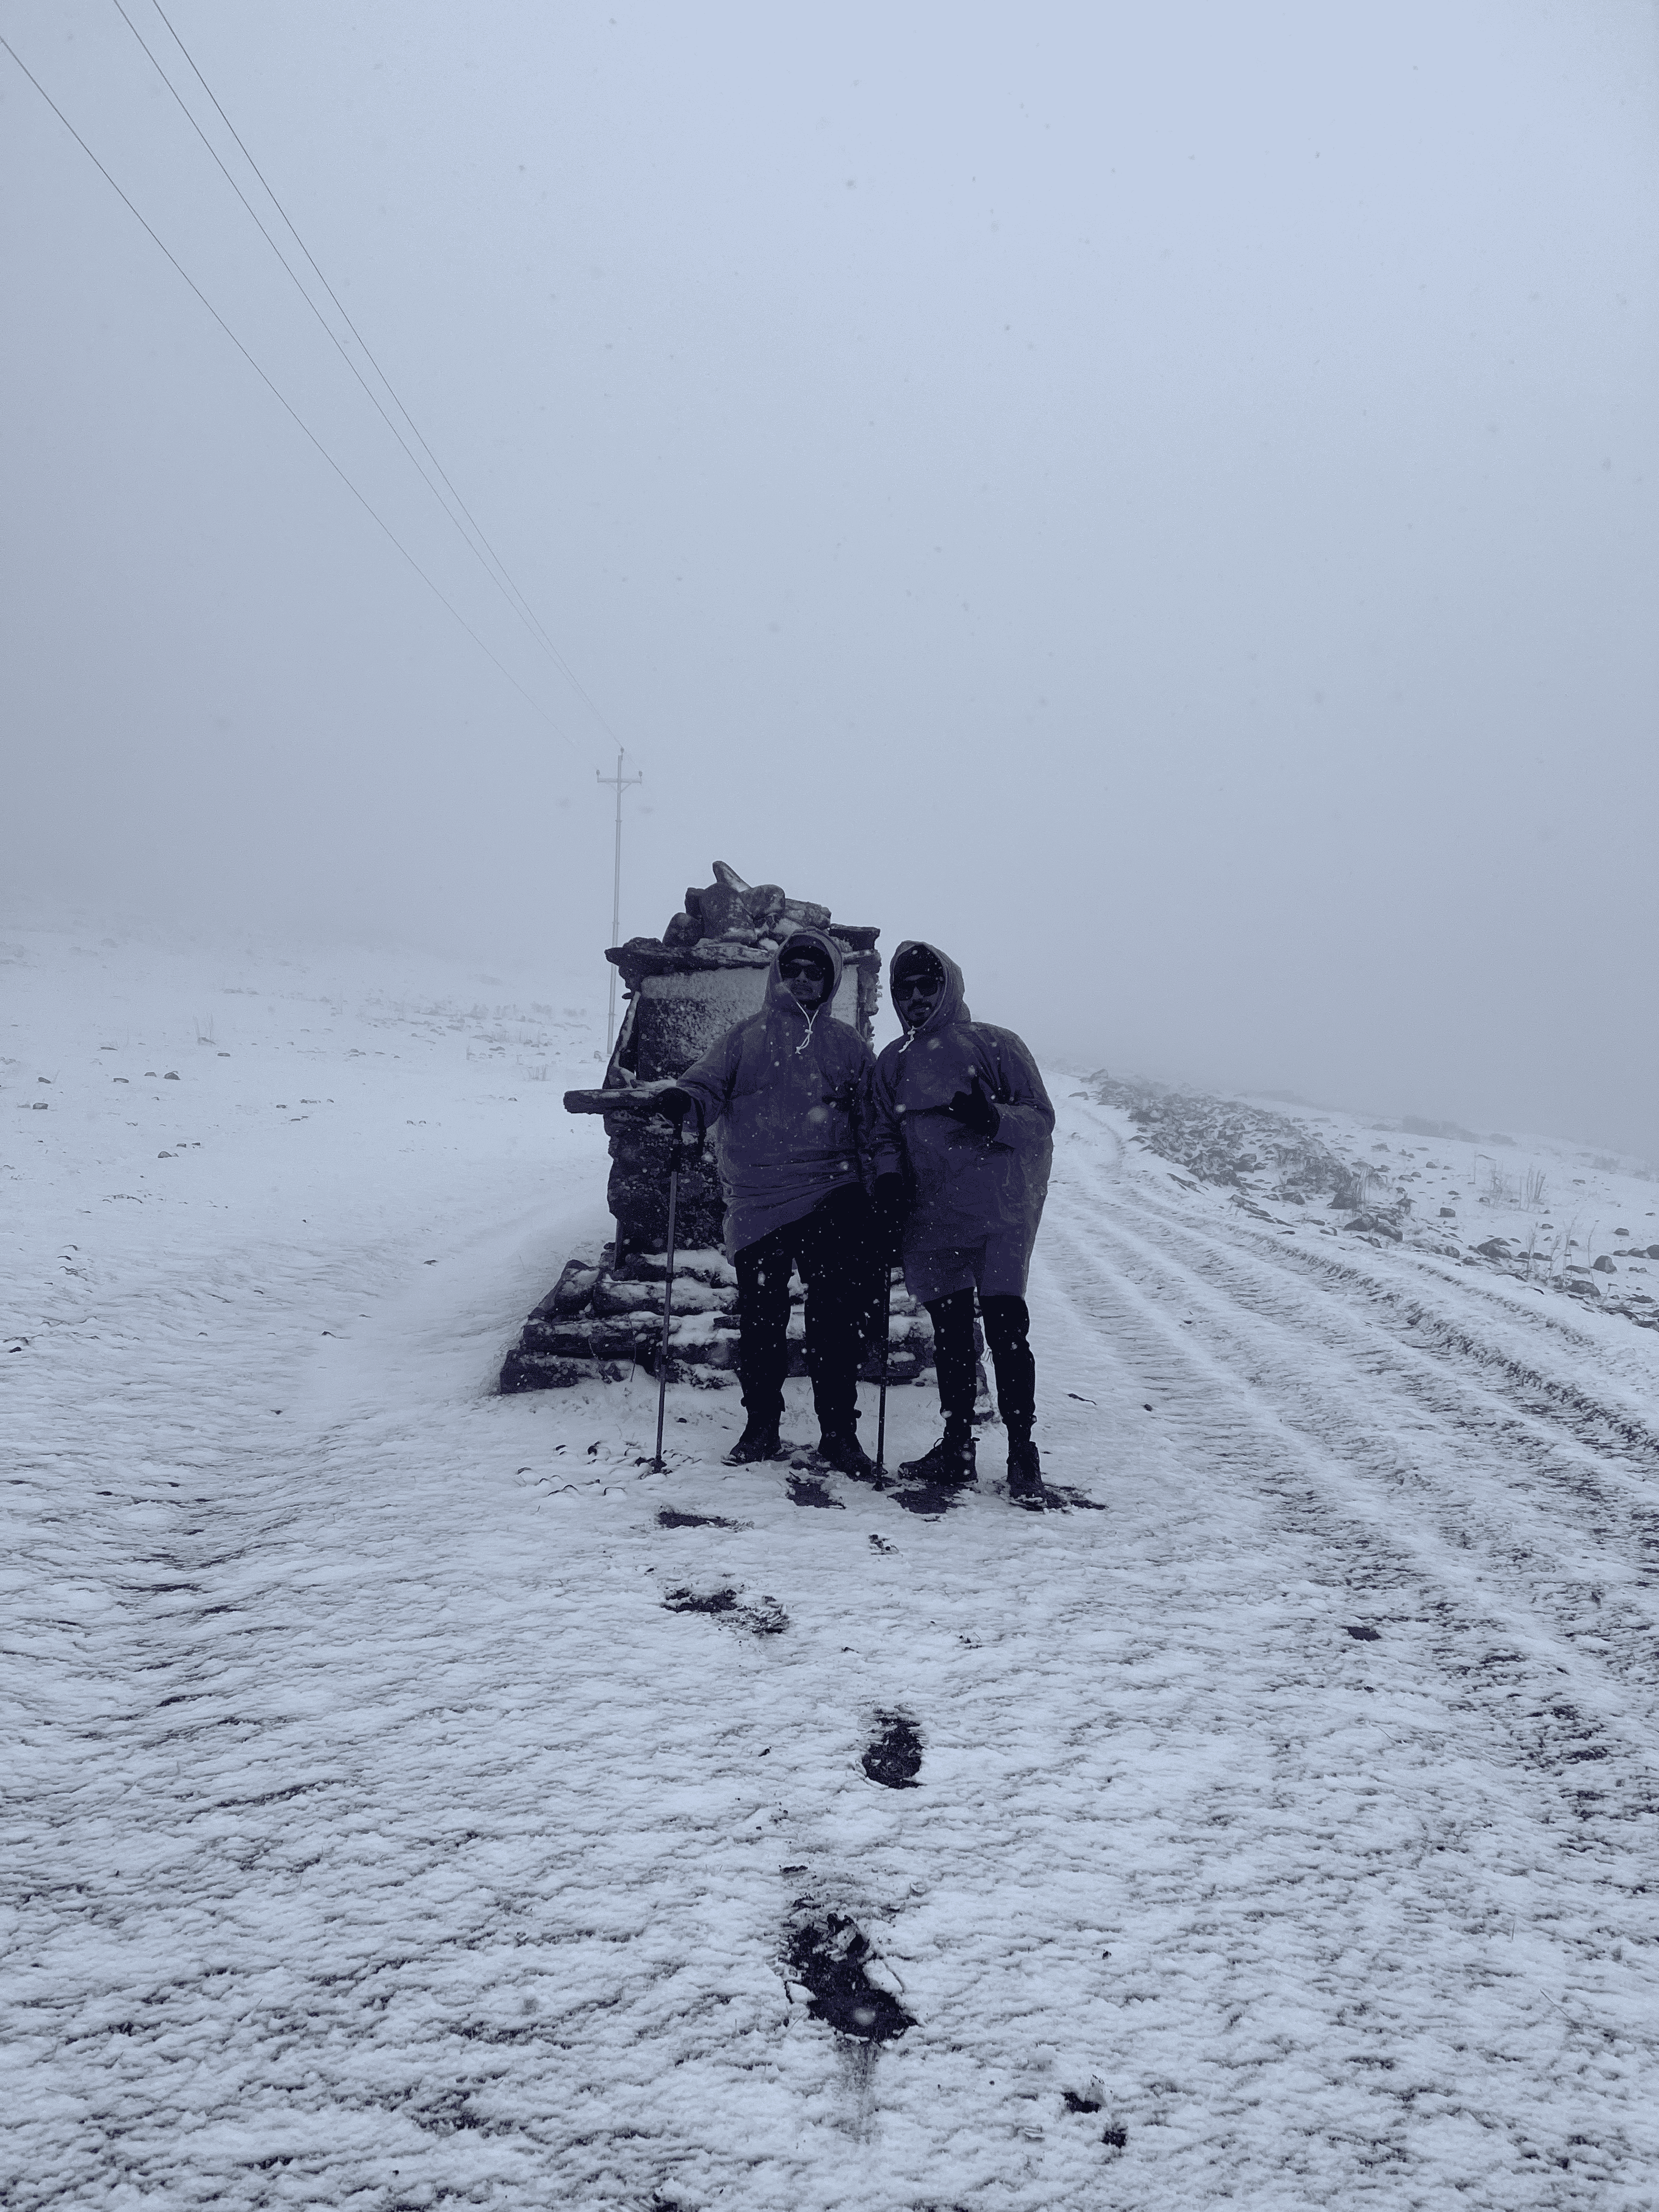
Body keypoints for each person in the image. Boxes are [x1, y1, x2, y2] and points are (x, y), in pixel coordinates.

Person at [653, 928, 880, 1476]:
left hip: (832, 1195)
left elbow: (875, 1117)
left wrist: (884, 1181)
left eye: (815, 971)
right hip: (756, 1201)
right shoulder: (743, 1038)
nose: (803, 979)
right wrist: (685, 1100)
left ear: (830, 979)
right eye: (793, 969)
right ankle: (760, 1429)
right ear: (779, 974)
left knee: (833, 1324)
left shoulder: (848, 1045)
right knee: (761, 1322)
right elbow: (706, 1086)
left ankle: (839, 1434)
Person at [871, 941, 1054, 1506]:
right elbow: (881, 1133)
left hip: (1000, 1212)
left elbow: (1041, 1119)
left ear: (949, 987)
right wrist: (888, 1180)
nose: (918, 998)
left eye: (928, 986)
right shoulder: (893, 1062)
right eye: (906, 989)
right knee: (951, 1338)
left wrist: (992, 1118)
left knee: (1006, 1332)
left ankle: (1023, 1451)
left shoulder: (997, 1045)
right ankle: (957, 1445)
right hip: (931, 1216)